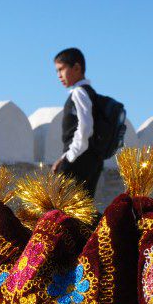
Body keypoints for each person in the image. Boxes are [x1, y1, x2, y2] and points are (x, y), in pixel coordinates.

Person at [51, 48, 105, 197]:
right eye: (57, 71)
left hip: (79, 160)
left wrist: (68, 159)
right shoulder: (89, 92)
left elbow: (85, 128)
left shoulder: (79, 93)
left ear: (76, 68)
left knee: (66, 210)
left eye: (61, 69)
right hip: (91, 160)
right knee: (82, 211)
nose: (59, 76)